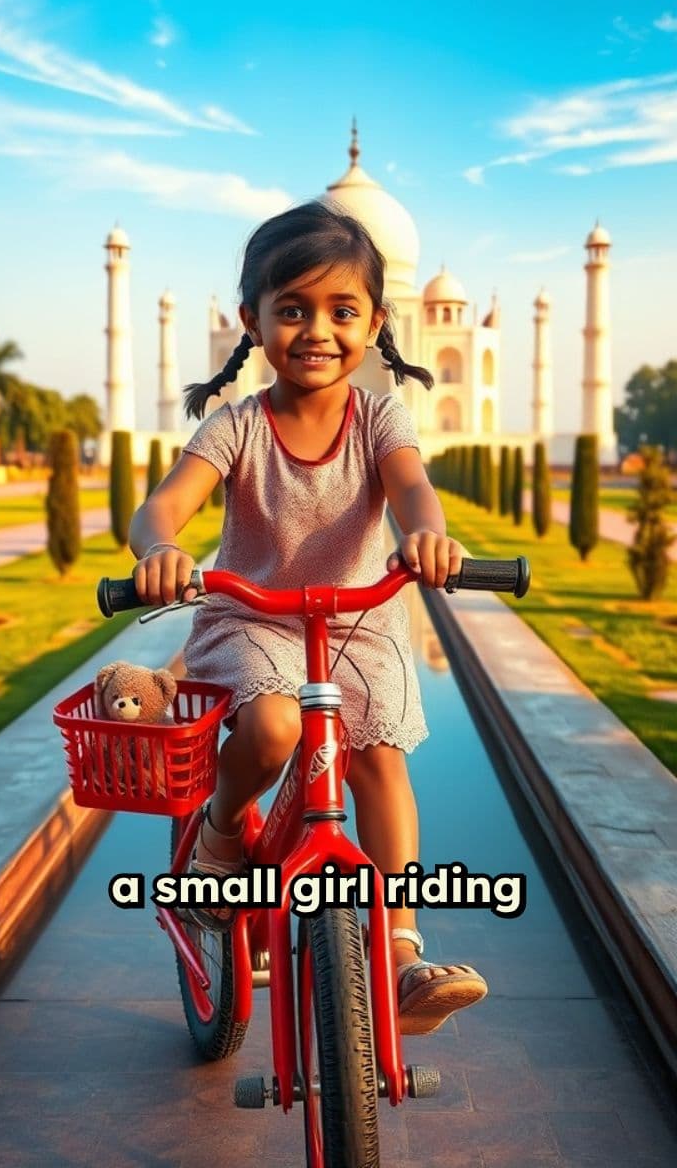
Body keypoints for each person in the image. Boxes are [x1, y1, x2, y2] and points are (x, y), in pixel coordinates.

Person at [130, 200, 488, 1035]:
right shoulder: (239, 424)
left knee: (380, 766)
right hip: (251, 617)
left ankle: (400, 953)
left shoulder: (380, 417)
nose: (316, 330)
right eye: (291, 308)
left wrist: (431, 536)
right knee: (275, 729)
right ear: (250, 320)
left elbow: (413, 494)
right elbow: (162, 510)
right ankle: (221, 839)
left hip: (359, 622)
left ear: (376, 324)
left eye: (341, 310)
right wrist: (159, 550)